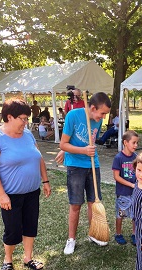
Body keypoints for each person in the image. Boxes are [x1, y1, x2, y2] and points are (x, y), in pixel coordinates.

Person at [0, 99, 51, 270]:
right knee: (13, 229)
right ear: (9, 117)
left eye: (26, 118)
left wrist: (45, 181)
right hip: (10, 195)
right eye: (22, 118)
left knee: (30, 225)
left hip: (32, 191)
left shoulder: (28, 134)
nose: (25, 122)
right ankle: (8, 259)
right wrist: (1, 194)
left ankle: (28, 258)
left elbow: (39, 158)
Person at [60, 92, 111, 255]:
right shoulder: (73, 116)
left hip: (92, 164)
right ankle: (71, 239)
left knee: (93, 202)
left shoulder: (98, 119)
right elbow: (63, 144)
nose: (103, 117)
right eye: (102, 113)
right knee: (75, 204)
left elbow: (90, 143)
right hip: (75, 166)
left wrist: (86, 151)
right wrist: (80, 150)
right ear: (93, 107)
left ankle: (94, 233)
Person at [112, 130, 139, 245]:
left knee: (135, 215)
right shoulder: (118, 158)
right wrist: (131, 185)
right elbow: (116, 177)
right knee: (121, 214)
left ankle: (134, 234)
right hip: (123, 193)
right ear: (125, 143)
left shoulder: (136, 157)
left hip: (134, 193)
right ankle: (118, 234)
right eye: (134, 143)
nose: (136, 145)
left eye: (137, 143)